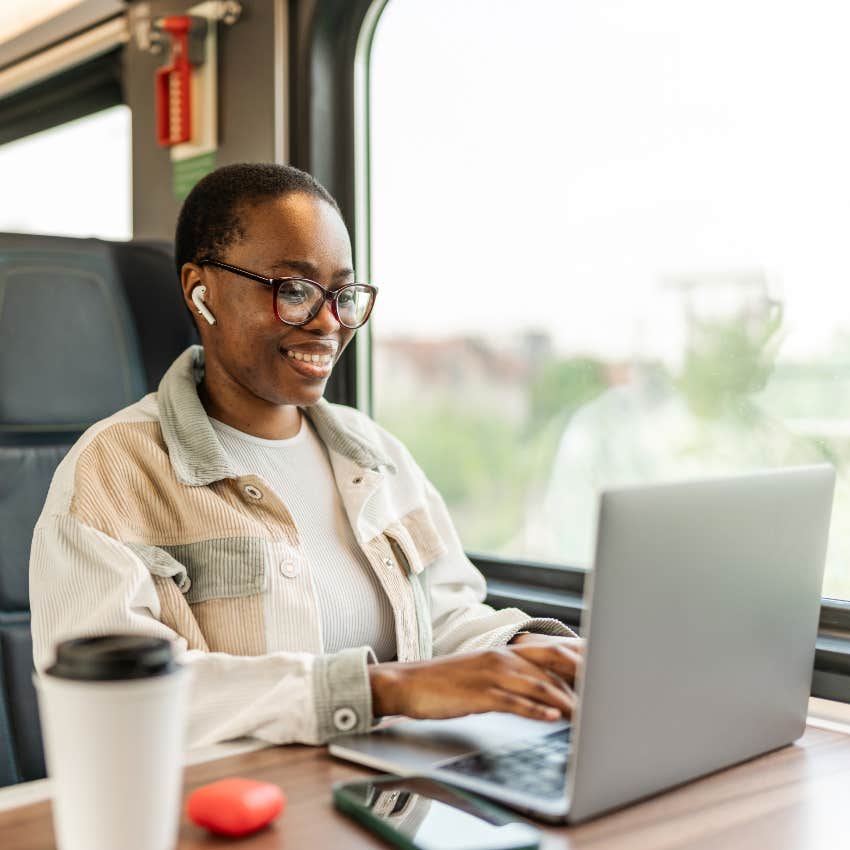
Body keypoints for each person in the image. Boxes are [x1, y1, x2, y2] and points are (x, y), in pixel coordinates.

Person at [30, 163, 581, 749]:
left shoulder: (375, 454)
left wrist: (530, 651)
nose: (327, 322)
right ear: (201, 290)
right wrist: (382, 690)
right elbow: (111, 703)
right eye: (292, 290)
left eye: (341, 294)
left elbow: (444, 618)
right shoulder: (111, 472)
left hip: (385, 794)